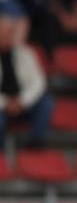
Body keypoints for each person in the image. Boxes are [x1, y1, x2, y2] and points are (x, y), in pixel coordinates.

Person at [0, 12, 52, 148]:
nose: (7, 35)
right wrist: (6, 103)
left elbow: (39, 82)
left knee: (46, 102)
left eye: (10, 31)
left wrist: (22, 101)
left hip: (24, 104)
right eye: (3, 31)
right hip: (1, 106)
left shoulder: (26, 53)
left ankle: (35, 144)